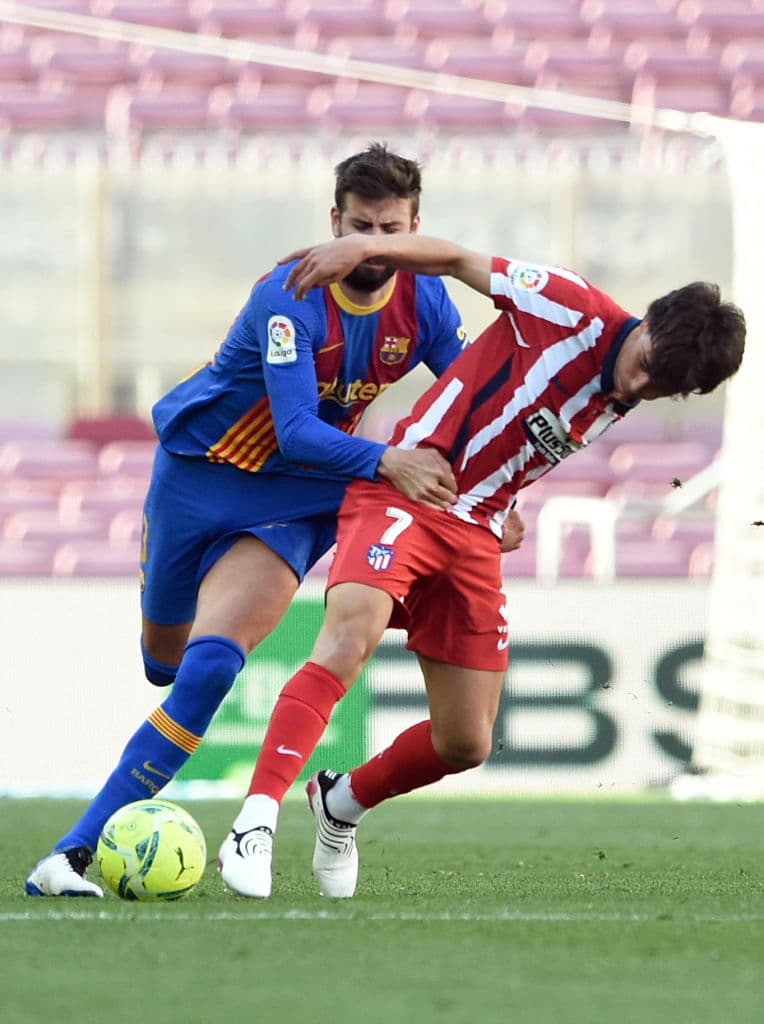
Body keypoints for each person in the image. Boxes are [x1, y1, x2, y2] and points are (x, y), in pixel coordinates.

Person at [220, 230, 747, 899]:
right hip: (405, 488)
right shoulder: (569, 305)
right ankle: (256, 821)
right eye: (646, 362)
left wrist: (505, 498)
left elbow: (520, 426)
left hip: (476, 527)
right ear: (648, 320)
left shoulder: (628, 390)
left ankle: (341, 803)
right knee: (349, 635)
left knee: (465, 741)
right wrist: (358, 249)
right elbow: (456, 260)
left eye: (661, 385)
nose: (638, 383)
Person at [25, 145, 472, 898]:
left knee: (208, 670)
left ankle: (68, 858)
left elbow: (472, 401)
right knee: (163, 663)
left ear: (414, 228)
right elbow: (296, 426)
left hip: (300, 498)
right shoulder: (290, 293)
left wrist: (502, 492)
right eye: (359, 226)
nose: (370, 245)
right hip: (199, 477)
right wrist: (391, 458)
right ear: (334, 222)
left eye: (388, 230)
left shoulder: (425, 302)